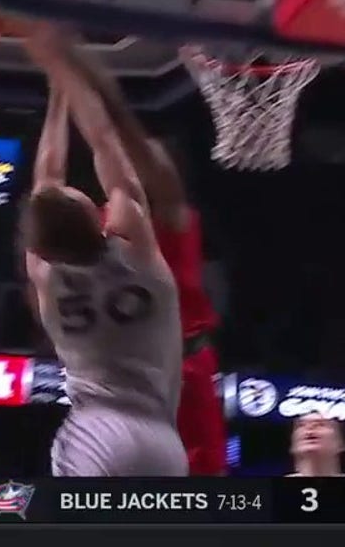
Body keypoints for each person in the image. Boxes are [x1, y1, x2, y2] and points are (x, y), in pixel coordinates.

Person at [49, 36, 227, 475]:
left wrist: (77, 73)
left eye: (151, 158)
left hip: (179, 372)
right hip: (115, 380)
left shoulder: (168, 216)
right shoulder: (95, 225)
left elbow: (117, 141)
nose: (146, 160)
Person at [19, 26, 188, 476]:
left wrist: (57, 86)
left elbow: (46, 180)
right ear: (99, 218)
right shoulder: (137, 253)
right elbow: (102, 142)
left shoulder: (47, 278)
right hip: (160, 440)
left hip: (101, 430)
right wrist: (63, 71)